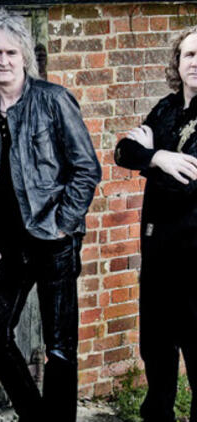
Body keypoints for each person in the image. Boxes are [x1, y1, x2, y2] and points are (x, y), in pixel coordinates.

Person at [0, 9, 101, 422]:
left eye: (11, 52)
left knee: (59, 347)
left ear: (24, 55)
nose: (3, 60)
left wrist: (63, 224)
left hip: (53, 242)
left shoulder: (53, 100)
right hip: (5, 245)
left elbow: (86, 168)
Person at [114, 26, 197, 422]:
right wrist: (159, 158)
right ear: (177, 63)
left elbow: (187, 183)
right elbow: (122, 151)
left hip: (196, 260)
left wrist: (148, 156)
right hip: (159, 255)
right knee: (157, 354)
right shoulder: (166, 108)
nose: (196, 62)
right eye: (189, 55)